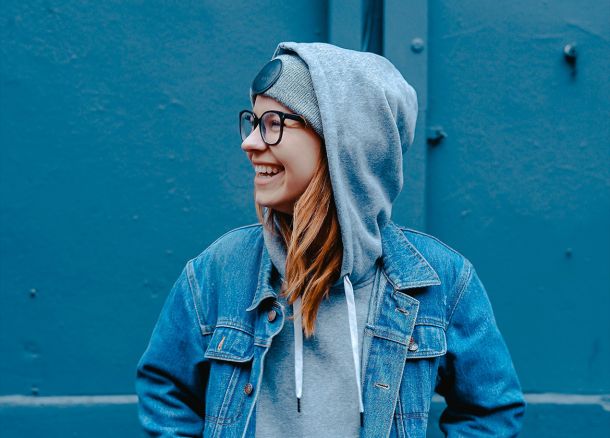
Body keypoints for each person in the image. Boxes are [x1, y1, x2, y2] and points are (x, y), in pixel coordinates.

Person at [135, 41, 526, 438]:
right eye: (252, 122)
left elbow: (490, 412)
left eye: (273, 123)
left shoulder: (441, 282)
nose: (250, 142)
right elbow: (166, 392)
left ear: (345, 144)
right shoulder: (219, 271)